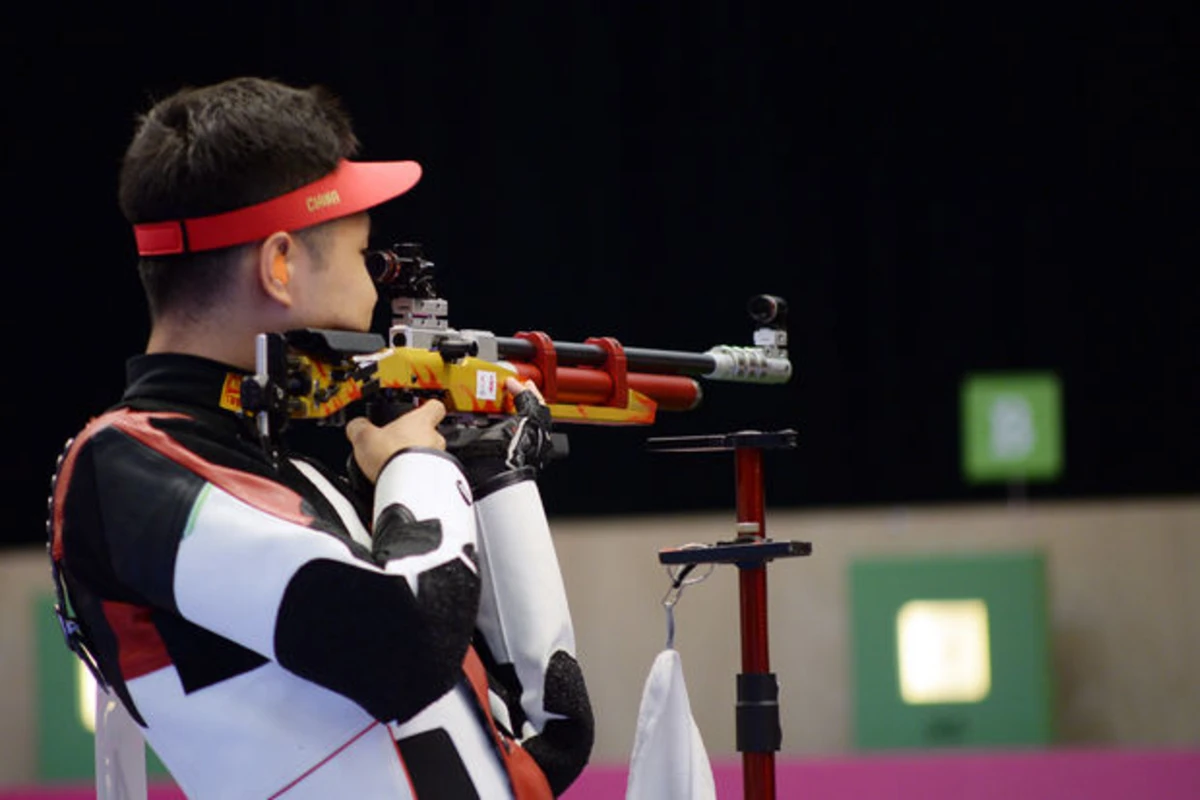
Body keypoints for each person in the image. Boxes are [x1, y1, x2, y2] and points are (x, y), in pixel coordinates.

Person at [46, 77, 593, 799]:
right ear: (279, 265)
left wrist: (492, 480)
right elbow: (408, 650)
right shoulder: (123, 471)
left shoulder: (292, 476)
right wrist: (417, 470)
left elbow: (548, 742)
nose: (374, 288)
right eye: (362, 253)